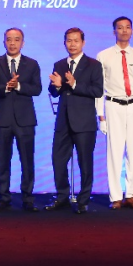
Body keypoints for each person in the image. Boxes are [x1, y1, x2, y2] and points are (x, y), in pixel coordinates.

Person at [96, 17, 133, 210]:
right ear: (114, 31)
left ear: (132, 31)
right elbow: (99, 88)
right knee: (114, 152)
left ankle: (132, 195)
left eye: (128, 27)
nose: (124, 31)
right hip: (113, 105)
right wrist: (101, 116)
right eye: (120, 28)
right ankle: (115, 196)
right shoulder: (103, 55)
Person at [46, 28, 103, 214]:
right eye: (69, 41)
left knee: (85, 163)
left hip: (84, 122)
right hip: (63, 121)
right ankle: (62, 197)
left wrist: (74, 84)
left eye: (76, 41)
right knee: (58, 160)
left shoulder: (93, 65)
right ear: (64, 43)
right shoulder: (60, 64)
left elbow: (97, 91)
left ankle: (83, 200)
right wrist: (56, 86)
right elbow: (53, 91)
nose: (72, 44)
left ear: (83, 43)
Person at [0, 27, 42, 211]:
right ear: (4, 42)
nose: (12, 43)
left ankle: (28, 198)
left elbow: (37, 89)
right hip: (2, 119)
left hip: (25, 120)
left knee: (27, 161)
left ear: (23, 43)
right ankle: (4, 198)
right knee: (2, 161)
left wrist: (18, 86)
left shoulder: (32, 64)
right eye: (9, 39)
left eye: (16, 39)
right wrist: (6, 87)